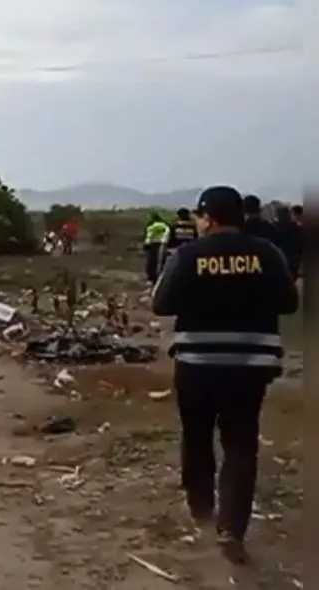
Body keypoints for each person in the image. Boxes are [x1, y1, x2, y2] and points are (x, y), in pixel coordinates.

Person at [152, 186, 299, 565]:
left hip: (197, 363)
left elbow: (161, 303)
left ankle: (202, 510)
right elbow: (288, 302)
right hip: (251, 366)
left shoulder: (187, 255)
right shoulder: (269, 254)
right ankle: (231, 528)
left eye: (201, 218)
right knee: (240, 441)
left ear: (209, 218)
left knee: (197, 435)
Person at [159, 207, 199, 273]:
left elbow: (164, 244)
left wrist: (160, 264)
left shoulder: (172, 228)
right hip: (190, 258)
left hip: (174, 256)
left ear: (178, 216)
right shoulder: (194, 229)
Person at [271, 204, 302, 281]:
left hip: (280, 259)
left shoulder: (274, 228)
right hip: (293, 258)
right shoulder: (296, 227)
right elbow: (301, 244)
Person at [142, 212, 170, 283]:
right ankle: (159, 276)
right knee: (160, 261)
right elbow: (167, 233)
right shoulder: (164, 225)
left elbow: (149, 235)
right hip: (162, 244)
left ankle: (151, 277)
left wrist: (146, 244)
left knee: (151, 261)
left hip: (153, 244)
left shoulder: (151, 226)